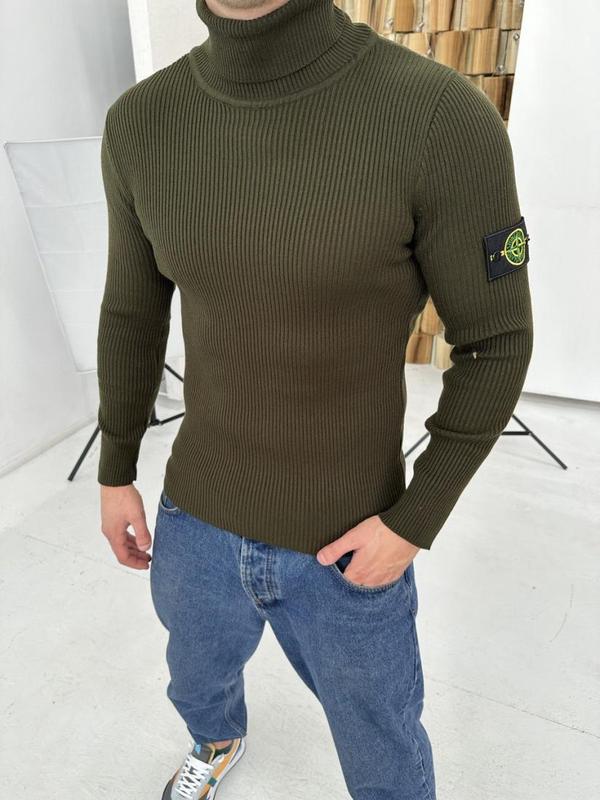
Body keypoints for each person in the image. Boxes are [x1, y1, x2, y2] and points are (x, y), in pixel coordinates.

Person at [96, 0, 534, 797]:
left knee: (380, 741)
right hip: (195, 515)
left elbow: (497, 340)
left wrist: (414, 521)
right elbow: (132, 311)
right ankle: (216, 740)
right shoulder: (140, 124)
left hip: (347, 537)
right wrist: (115, 466)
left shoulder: (437, 117)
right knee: (195, 676)